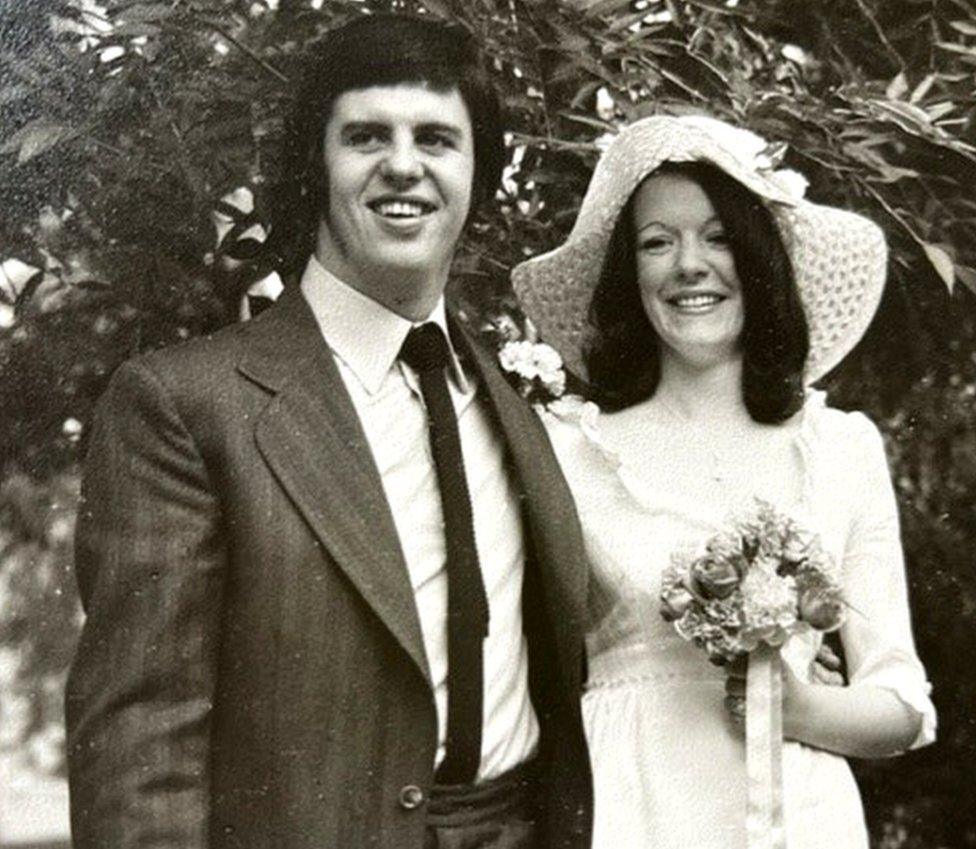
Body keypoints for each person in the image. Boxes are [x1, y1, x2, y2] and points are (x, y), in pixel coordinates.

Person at [65, 14, 592, 849]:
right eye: (366, 136)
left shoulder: (508, 399)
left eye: (437, 139)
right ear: (317, 162)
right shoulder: (182, 405)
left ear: (478, 172)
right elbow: (140, 745)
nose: (404, 165)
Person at [512, 115, 936, 849]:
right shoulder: (567, 451)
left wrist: (798, 708)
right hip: (628, 811)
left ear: (760, 257)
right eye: (656, 242)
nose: (689, 265)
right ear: (629, 275)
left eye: (718, 236)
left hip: (799, 819)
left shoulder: (839, 448)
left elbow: (901, 701)